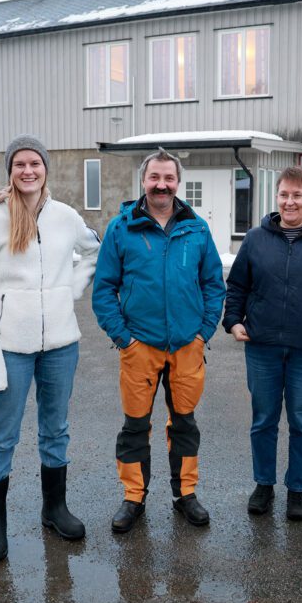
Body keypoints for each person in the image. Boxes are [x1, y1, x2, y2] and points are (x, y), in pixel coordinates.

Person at [0, 135, 101, 560]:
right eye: (20, 164)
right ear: (10, 170)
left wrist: (68, 289)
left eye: (35, 163)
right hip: (10, 348)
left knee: (55, 429)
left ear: (45, 168)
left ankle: (54, 508)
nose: (28, 171)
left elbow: (94, 251)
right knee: (2, 435)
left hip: (60, 344)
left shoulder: (65, 216)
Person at [92, 148, 225, 533]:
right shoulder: (122, 228)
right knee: (135, 425)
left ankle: (185, 494)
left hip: (187, 346)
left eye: (168, 178)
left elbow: (213, 284)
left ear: (177, 182)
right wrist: (124, 338)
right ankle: (133, 497)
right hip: (140, 347)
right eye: (155, 177)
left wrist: (203, 333)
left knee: (184, 423)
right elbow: (104, 289)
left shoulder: (197, 228)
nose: (161, 185)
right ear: (143, 181)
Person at [222, 166, 302, 521]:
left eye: (297, 195)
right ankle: (264, 484)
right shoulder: (255, 239)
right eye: (284, 194)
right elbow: (237, 285)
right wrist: (233, 321)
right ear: (276, 197)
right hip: (262, 346)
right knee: (263, 419)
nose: (289, 202)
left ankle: (297, 490)